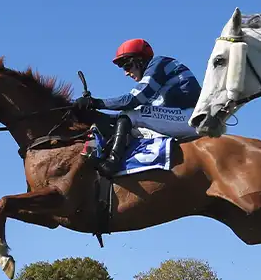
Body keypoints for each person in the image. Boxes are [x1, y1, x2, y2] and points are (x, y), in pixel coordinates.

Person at [73, 39, 201, 177]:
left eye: (127, 66)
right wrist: (95, 114)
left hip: (190, 117)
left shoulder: (158, 63)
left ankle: (112, 163)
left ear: (140, 61)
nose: (126, 73)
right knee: (127, 119)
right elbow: (131, 114)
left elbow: (132, 100)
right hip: (181, 116)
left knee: (131, 114)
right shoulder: (158, 81)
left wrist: (95, 102)